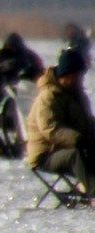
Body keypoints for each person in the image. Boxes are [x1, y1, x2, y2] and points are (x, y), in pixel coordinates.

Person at [25, 48, 95, 194]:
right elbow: (51, 129)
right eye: (77, 76)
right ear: (67, 75)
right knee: (76, 156)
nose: (80, 79)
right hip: (47, 153)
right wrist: (79, 139)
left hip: (70, 147)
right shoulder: (48, 97)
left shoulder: (77, 95)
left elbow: (87, 122)